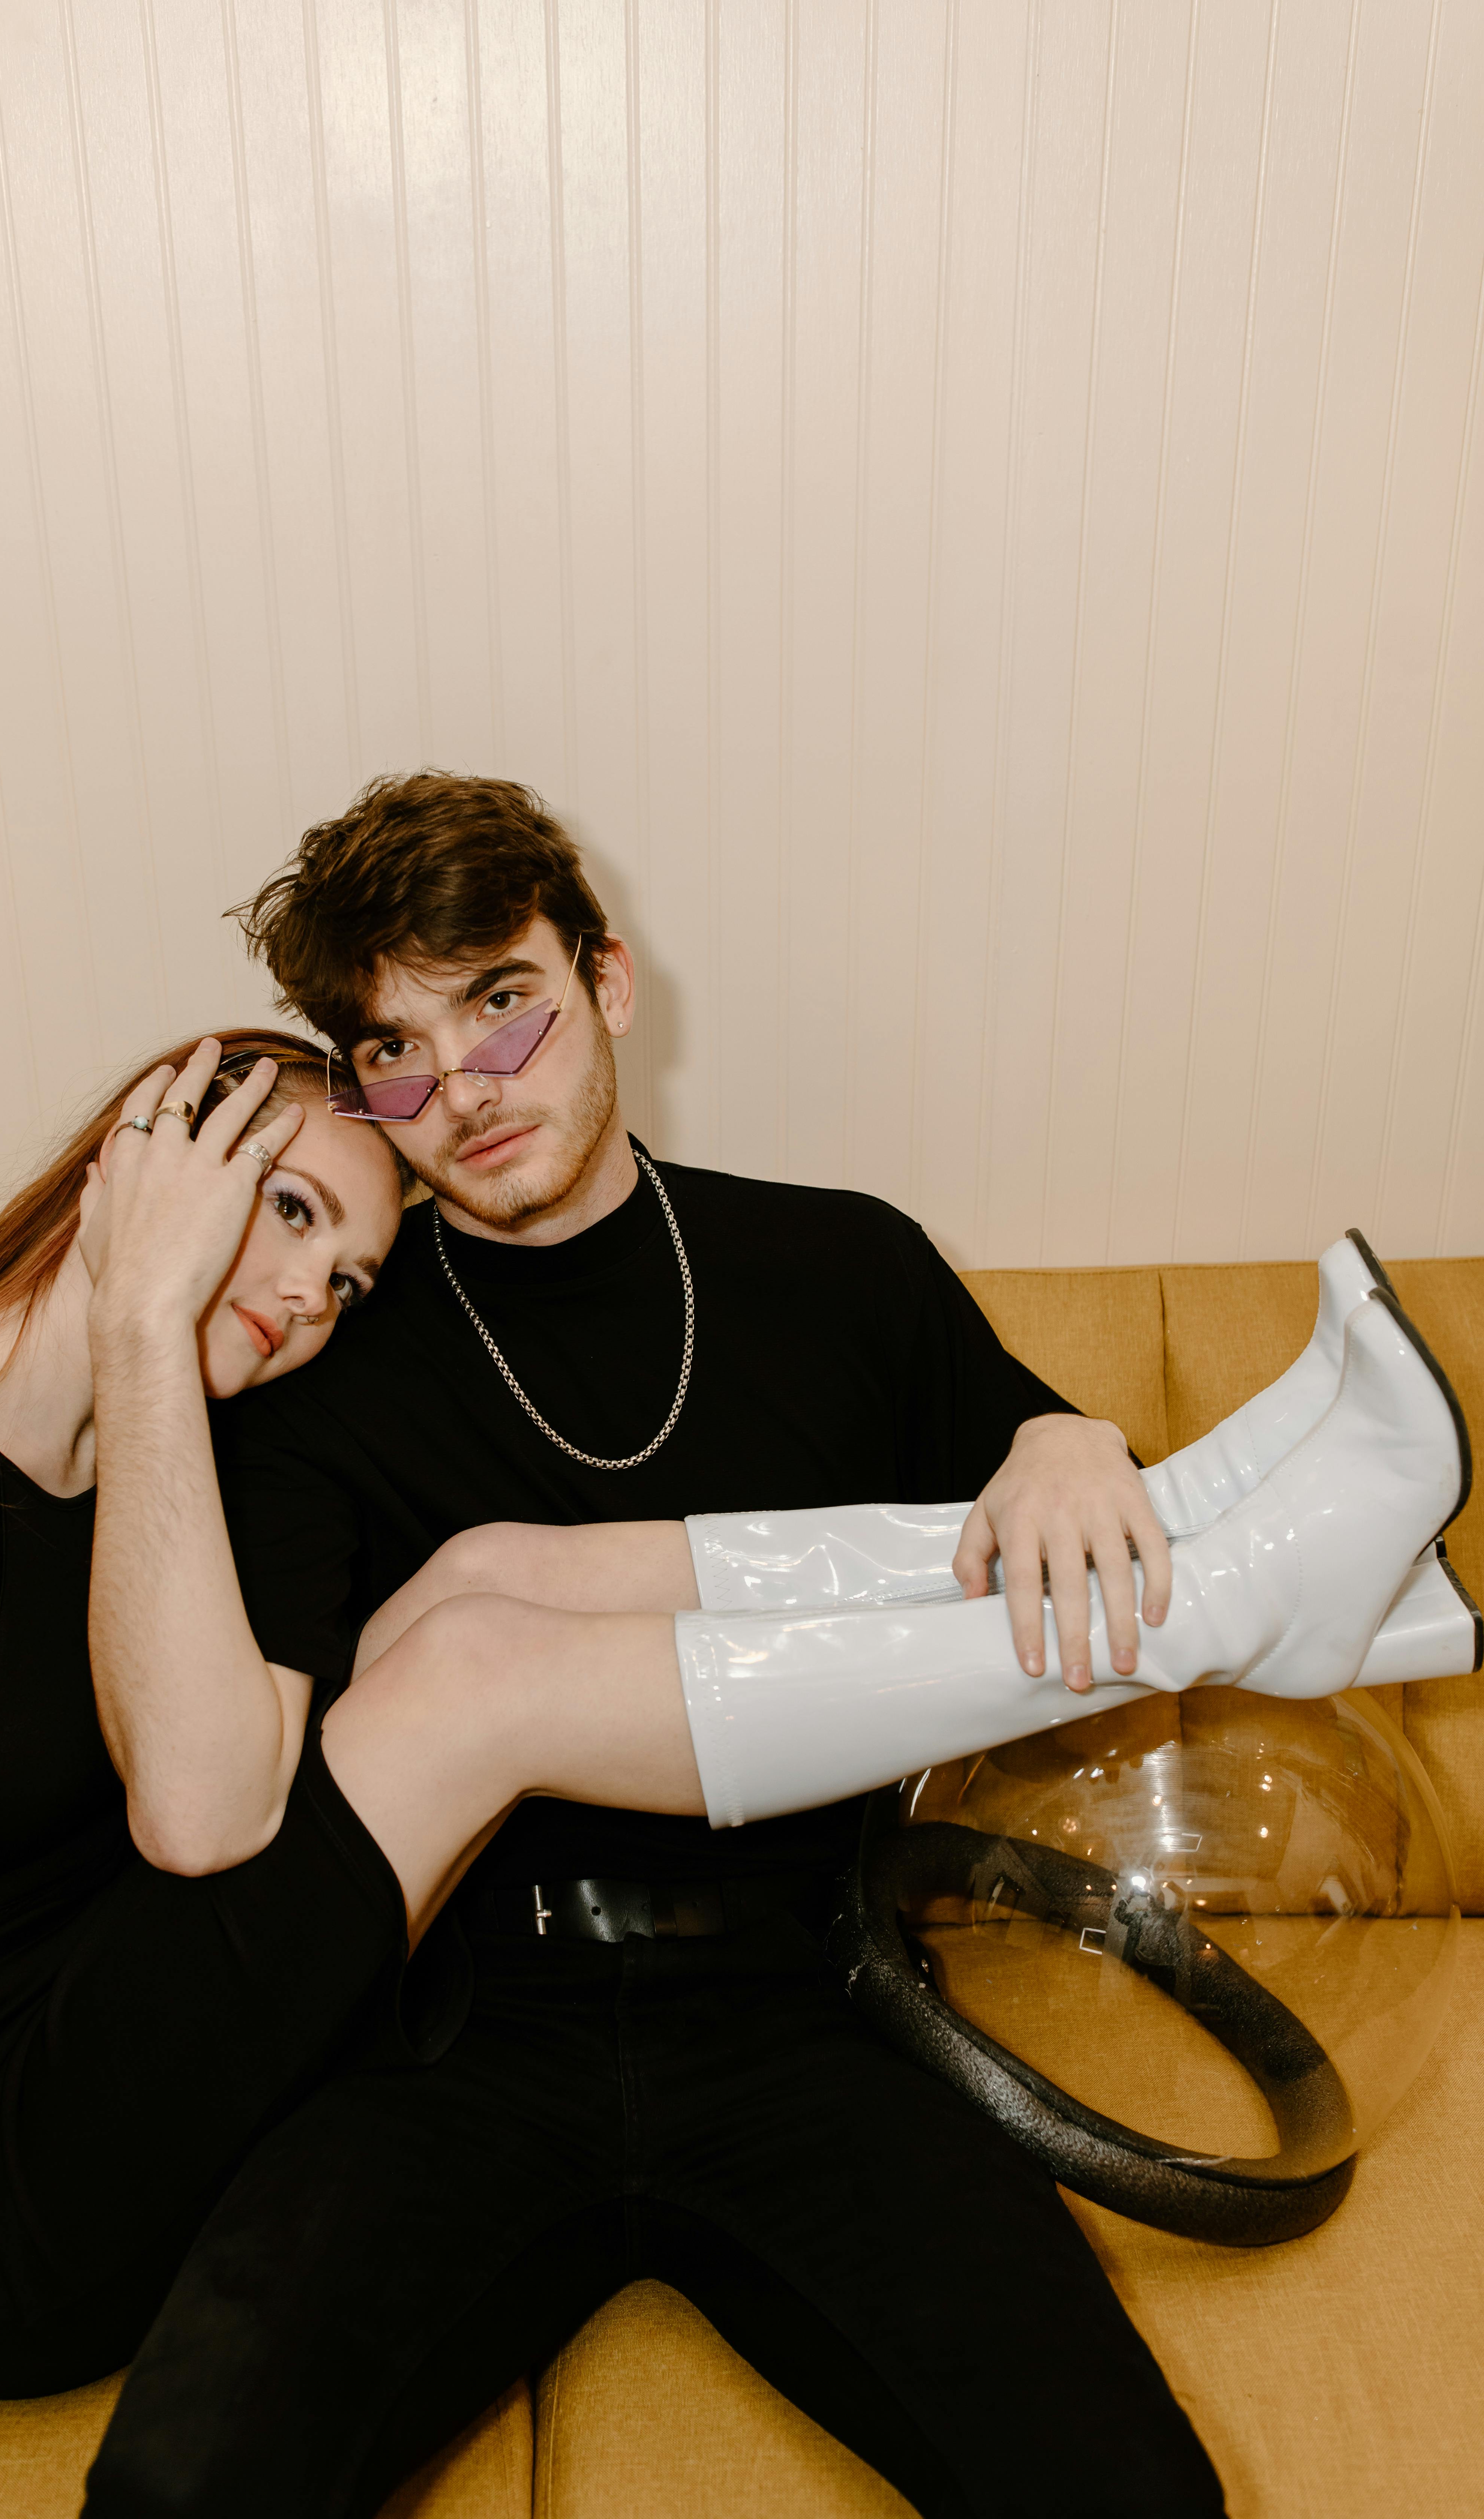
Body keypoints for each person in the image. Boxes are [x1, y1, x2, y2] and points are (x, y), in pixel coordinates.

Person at [82, 774, 1238, 2519]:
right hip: (450, 2042)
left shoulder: (841, 1267)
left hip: (813, 2005)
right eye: (393, 1049)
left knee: (1122, 2494)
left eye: (498, 1001)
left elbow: (1074, 1540)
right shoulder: (334, 1354)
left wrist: (1064, 1436)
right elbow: (217, 1795)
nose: (461, 1089)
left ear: (607, 981)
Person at [0, 1030, 723, 2519]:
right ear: (145, 1163)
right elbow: (205, 1823)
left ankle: (1019, 1574)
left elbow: (220, 1793)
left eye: (349, 1282)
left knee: (485, 1581)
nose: (310, 1300)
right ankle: (1119, 1618)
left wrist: (148, 1362)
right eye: (292, 1212)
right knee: (470, 1682)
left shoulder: (191, 1460)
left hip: (126, 2079)